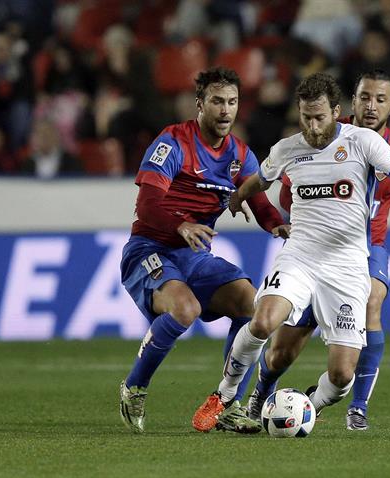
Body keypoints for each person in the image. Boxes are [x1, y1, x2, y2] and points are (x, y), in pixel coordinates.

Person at [191, 72, 390, 432]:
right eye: (305, 118)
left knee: (342, 373)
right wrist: (239, 195)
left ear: (335, 112)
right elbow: (262, 179)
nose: (313, 127)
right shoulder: (288, 148)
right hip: (299, 256)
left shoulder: (362, 141)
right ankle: (223, 396)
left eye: (319, 117)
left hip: (347, 266)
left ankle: (307, 407)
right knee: (263, 322)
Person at [118, 67, 288, 434]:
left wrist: (281, 225)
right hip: (150, 248)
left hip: (194, 256)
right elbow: (146, 206)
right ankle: (134, 386)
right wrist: (180, 225)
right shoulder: (173, 142)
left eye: (232, 102)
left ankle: (228, 404)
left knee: (251, 305)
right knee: (185, 309)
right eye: (216, 101)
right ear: (200, 104)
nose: (225, 110)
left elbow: (260, 204)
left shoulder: (240, 155)